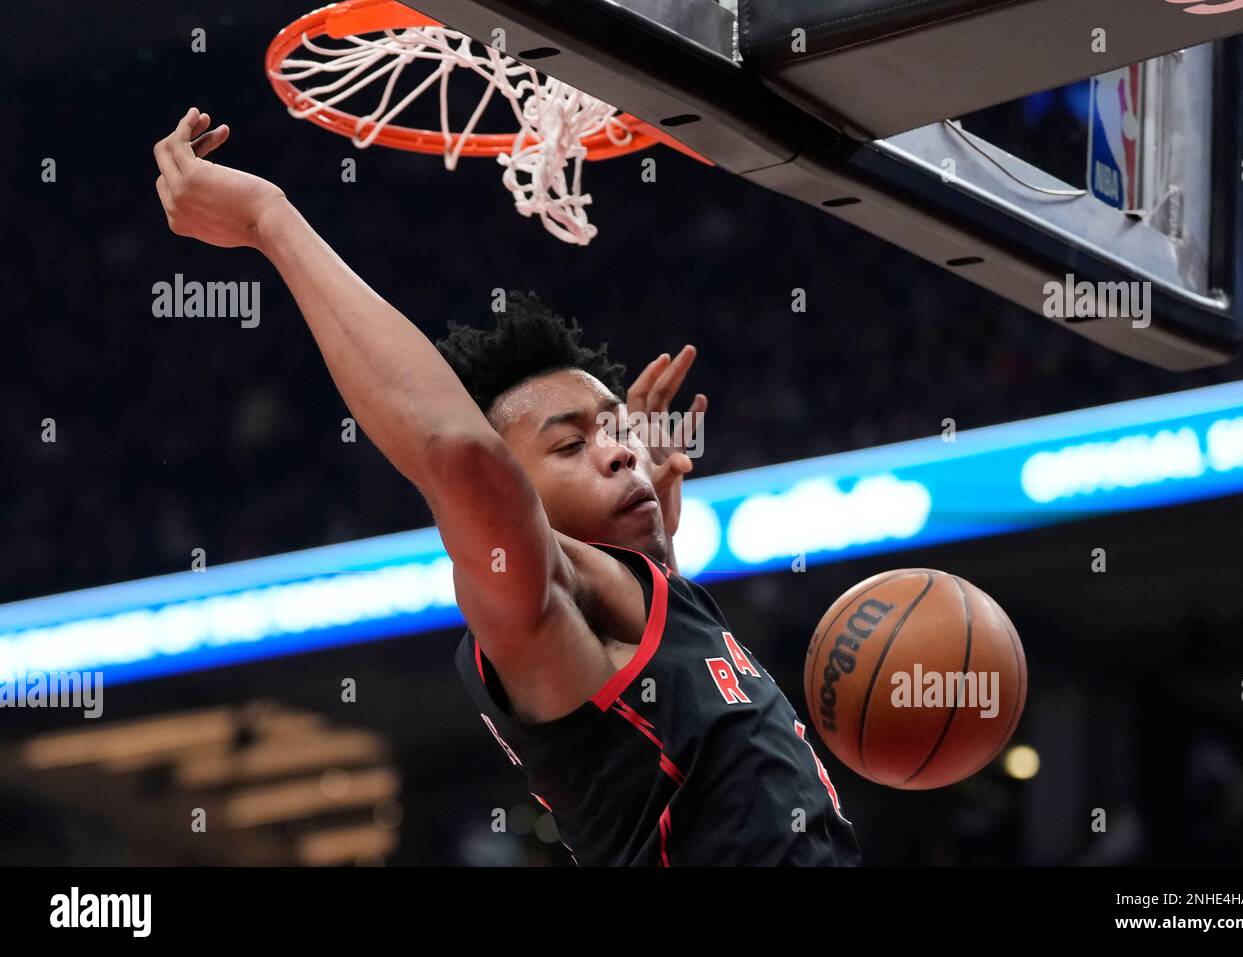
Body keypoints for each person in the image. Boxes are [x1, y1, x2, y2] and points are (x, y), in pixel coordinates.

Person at [152, 107, 860, 865]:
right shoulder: (531, 608)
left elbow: (667, 746)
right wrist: (270, 220)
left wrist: (661, 550)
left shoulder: (645, 621)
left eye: (615, 429)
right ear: (520, 511)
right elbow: (462, 457)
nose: (619, 454)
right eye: (570, 444)